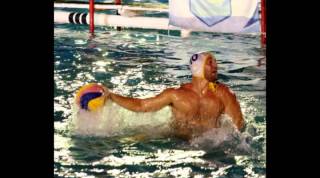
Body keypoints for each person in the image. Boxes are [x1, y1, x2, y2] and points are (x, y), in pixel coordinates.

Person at [76, 52, 244, 140]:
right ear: (198, 68)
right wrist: (111, 96)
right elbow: (142, 106)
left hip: (210, 145)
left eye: (215, 62)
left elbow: (238, 126)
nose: (216, 65)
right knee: (130, 139)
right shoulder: (175, 94)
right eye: (210, 62)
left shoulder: (224, 94)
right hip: (175, 139)